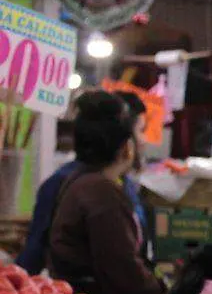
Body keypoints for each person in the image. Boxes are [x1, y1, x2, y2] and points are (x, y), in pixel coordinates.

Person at [47, 91, 166, 294]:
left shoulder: (81, 182)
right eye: (139, 133)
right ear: (126, 148)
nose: (143, 141)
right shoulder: (101, 193)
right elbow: (124, 271)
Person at [19, 92, 148, 272]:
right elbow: (33, 256)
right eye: (141, 130)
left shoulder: (125, 185)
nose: (144, 140)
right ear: (126, 143)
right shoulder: (62, 183)